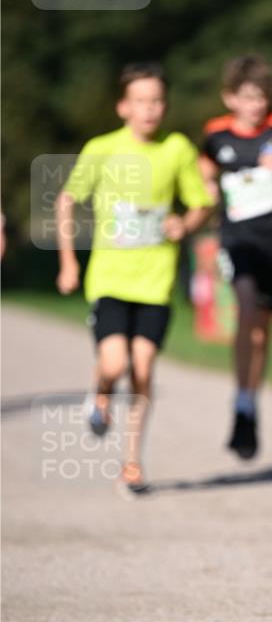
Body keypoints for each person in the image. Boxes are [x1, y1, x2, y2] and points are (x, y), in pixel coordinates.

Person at [55, 62, 214, 496]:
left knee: (142, 371)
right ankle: (100, 390)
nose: (150, 109)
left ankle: (131, 464)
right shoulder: (102, 148)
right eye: (141, 101)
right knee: (114, 364)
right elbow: (67, 201)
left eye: (157, 101)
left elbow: (199, 204)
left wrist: (186, 223)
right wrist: (68, 263)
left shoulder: (177, 149)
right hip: (109, 279)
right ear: (123, 106)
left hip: (156, 282)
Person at [200, 56, 272, 459]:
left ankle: (248, 402)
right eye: (247, 98)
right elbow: (204, 168)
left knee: (262, 329)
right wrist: (207, 189)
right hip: (237, 242)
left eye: (262, 97)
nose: (256, 106)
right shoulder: (215, 134)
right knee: (246, 312)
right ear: (230, 98)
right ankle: (242, 398)